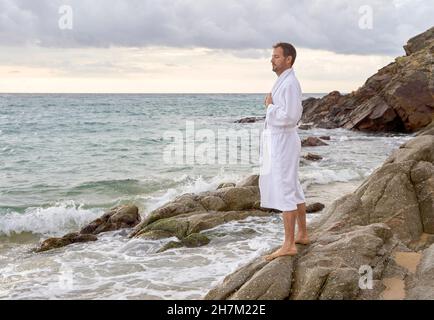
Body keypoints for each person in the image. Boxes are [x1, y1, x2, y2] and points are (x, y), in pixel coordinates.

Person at [259, 42, 309, 262]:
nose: (272, 60)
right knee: (293, 186)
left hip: (284, 141)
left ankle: (289, 244)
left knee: (286, 188)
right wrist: (271, 106)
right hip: (281, 140)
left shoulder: (289, 84)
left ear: (288, 59)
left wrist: (269, 106)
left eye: (276, 56)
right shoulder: (284, 81)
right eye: (272, 56)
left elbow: (291, 116)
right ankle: (303, 234)